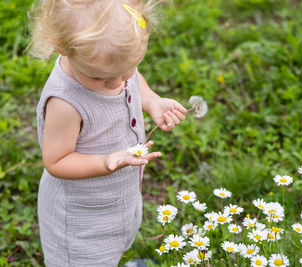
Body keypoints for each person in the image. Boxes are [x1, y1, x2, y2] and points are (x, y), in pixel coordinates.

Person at [29, 0, 187, 266]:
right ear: (63, 48)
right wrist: (105, 161)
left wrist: (152, 101)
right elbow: (56, 160)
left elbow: (132, 79)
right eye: (102, 79)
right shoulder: (66, 103)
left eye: (126, 71)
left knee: (115, 247)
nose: (117, 84)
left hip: (117, 203)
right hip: (81, 227)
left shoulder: (113, 67)